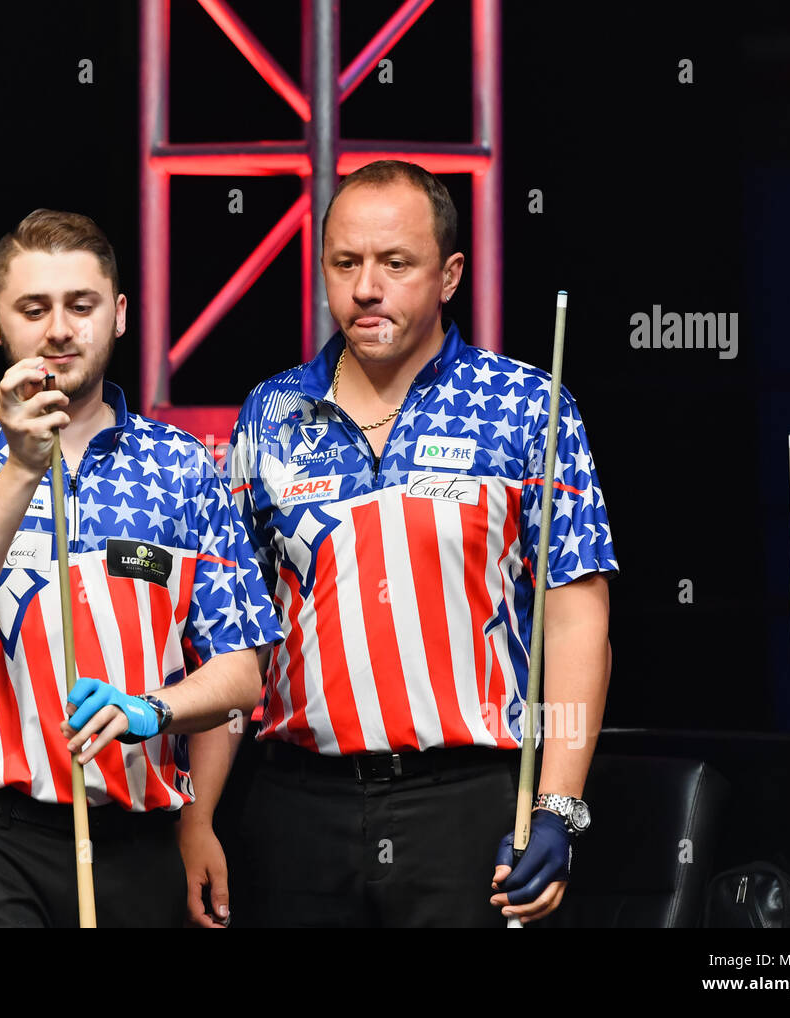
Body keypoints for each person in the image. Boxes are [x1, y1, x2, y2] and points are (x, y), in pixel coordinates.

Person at [178, 160, 618, 928]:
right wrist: (198, 814)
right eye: (345, 263)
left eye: (395, 263)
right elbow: (232, 640)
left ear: (449, 275)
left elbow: (578, 617)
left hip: (471, 806)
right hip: (293, 808)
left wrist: (557, 805)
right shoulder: (271, 412)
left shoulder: (523, 404)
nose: (366, 288)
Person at [0, 209, 282, 927]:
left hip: (136, 840)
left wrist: (149, 712)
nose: (59, 329)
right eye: (34, 309)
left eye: (81, 305)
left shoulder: (181, 466)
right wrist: (21, 467)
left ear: (119, 315)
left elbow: (241, 672)